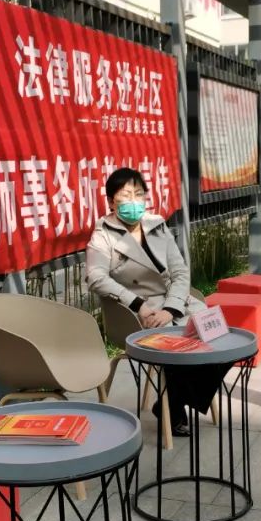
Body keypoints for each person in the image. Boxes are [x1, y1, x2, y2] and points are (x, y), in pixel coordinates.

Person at [86, 167, 221, 435]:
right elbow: (95, 278)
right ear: (111, 201)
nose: (134, 201)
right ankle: (176, 407)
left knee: (218, 336)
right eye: (125, 195)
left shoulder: (157, 225)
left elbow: (180, 272)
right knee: (178, 344)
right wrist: (138, 304)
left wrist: (171, 307)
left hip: (174, 304)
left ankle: (172, 401)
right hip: (137, 313)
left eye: (139, 194)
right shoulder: (102, 235)